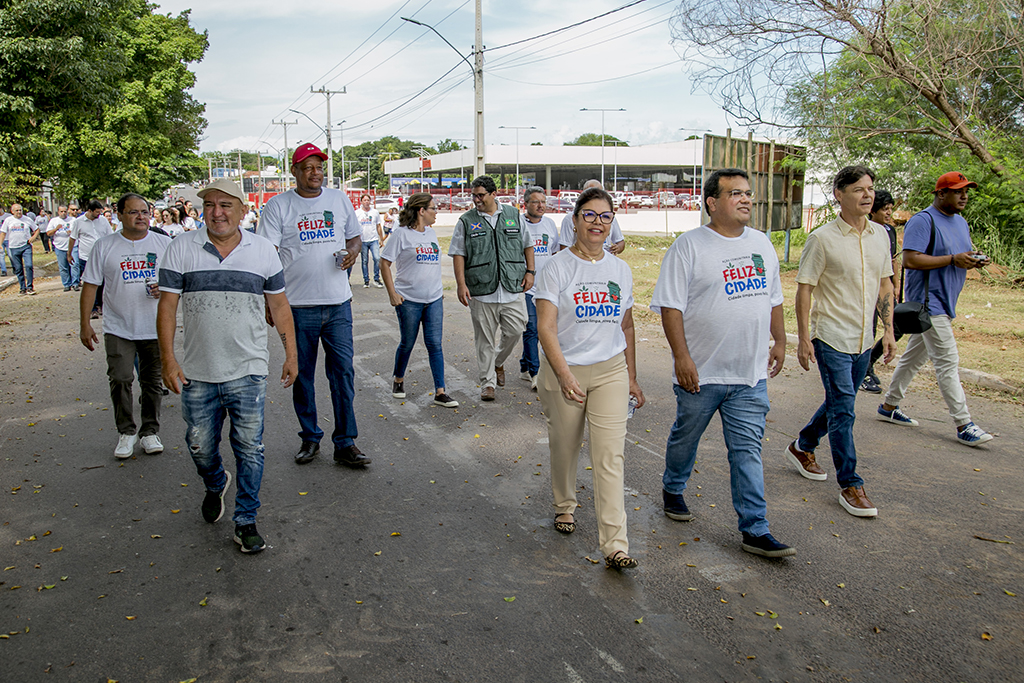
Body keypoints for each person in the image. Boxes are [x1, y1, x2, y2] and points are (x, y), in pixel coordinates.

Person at [651, 169, 794, 558]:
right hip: (702, 371)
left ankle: (755, 528)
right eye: (735, 193)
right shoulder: (689, 246)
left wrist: (780, 340)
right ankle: (674, 486)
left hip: (750, 375)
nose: (746, 199)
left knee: (746, 450)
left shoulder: (762, 244)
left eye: (748, 193)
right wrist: (682, 357)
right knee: (686, 437)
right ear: (712, 202)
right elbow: (670, 306)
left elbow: (774, 298)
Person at [158, 178, 298, 554]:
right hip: (198, 371)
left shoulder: (263, 251)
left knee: (250, 448)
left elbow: (280, 305)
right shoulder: (180, 248)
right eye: (209, 205)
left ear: (242, 210)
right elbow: (167, 306)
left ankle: (245, 520)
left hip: (249, 368)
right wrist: (168, 358)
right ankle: (216, 482)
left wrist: (291, 354)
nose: (217, 213)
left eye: (225, 205)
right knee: (200, 444)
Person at [535, 187, 644, 569]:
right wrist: (564, 374)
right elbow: (545, 328)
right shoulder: (557, 267)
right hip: (565, 368)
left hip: (610, 370)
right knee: (565, 446)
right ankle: (564, 504)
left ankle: (615, 544)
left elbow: (626, 326)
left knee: (609, 456)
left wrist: (631, 377)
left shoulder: (620, 270)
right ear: (575, 220)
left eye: (605, 216)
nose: (598, 223)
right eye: (590, 215)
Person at [788, 166, 896, 518]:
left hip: (864, 338)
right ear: (839, 194)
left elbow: (885, 285)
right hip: (831, 335)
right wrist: (804, 338)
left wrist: (889, 331)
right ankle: (850, 483)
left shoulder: (881, 235)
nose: (867, 195)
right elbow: (804, 290)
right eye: (858, 189)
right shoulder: (822, 239)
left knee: (839, 403)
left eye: (870, 188)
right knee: (844, 409)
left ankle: (803, 445)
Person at [259, 142, 370, 468]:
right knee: (302, 374)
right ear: (294, 171)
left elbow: (354, 237)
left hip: (337, 304)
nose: (314, 173)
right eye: (307, 168)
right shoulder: (278, 206)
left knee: (343, 373)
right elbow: (266, 256)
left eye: (319, 167)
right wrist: (270, 300)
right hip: (296, 307)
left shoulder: (338, 199)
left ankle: (345, 442)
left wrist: (352, 252)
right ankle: (310, 438)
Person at [878, 172, 993, 446]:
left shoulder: (961, 223)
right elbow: (911, 259)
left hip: (946, 301)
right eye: (958, 191)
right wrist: (953, 259)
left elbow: (957, 256)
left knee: (914, 358)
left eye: (966, 191)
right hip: (929, 303)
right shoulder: (923, 220)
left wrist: (972, 260)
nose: (964, 196)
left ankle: (889, 406)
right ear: (941, 194)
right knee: (947, 361)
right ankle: (963, 423)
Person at [80, 194, 170, 459]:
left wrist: (163, 289)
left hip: (155, 327)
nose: (141, 216)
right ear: (118, 215)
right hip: (118, 326)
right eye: (133, 212)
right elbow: (90, 286)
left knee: (152, 382)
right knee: (120, 378)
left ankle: (150, 431)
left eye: (144, 211)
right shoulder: (104, 246)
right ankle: (126, 431)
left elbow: (181, 281)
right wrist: (85, 323)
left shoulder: (164, 243)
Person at [449, 175, 536, 401]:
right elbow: (458, 253)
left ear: (493, 194)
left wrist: (531, 272)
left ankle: (497, 362)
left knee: (517, 329)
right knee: (484, 340)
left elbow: (528, 244)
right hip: (481, 288)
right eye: (474, 195)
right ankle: (488, 383)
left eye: (480, 195)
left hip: (512, 286)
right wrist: (461, 284)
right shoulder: (466, 220)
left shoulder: (512, 215)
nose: (476, 200)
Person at [379, 193, 459, 409]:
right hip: (409, 300)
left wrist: (437, 288)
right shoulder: (400, 235)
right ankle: (398, 379)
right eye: (433, 208)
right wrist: (392, 293)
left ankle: (440, 391)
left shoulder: (431, 233)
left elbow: (431, 265)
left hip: (433, 299)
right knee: (408, 342)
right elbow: (384, 263)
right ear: (421, 211)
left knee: (435, 344)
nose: (436, 212)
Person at [518, 187, 559, 391]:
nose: (541, 205)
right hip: (526, 287)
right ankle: (535, 373)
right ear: (526, 203)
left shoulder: (550, 224)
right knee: (531, 328)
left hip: (547, 287)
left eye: (543, 201)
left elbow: (554, 253)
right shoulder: (517, 223)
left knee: (545, 329)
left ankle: (525, 365)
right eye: (536, 202)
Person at [860, 190, 902, 393]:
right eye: (885, 209)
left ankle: (869, 364)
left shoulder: (889, 232)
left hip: (886, 286)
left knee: (892, 326)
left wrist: (897, 283)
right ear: (873, 211)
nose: (889, 213)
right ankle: (863, 371)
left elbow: (893, 260)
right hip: (868, 289)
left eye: (891, 209)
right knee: (870, 329)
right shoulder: (867, 232)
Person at [70, 201, 114, 316]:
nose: (99, 215)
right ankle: (93, 308)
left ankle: (100, 304)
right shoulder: (78, 222)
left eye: (100, 212)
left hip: (103, 256)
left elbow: (110, 236)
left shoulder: (103, 221)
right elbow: (72, 238)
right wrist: (69, 254)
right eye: (97, 212)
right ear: (89, 211)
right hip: (86, 257)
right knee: (90, 282)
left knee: (102, 283)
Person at [558, 180, 625, 255]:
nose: (598, 222)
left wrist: (618, 248)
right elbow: (564, 248)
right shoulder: (570, 218)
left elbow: (620, 242)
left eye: (599, 193)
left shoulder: (609, 217)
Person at [0, 204, 39, 294]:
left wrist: (33, 237)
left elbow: (36, 229)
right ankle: (22, 287)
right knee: (18, 268)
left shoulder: (27, 219)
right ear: (12, 211)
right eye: (16, 210)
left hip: (26, 246)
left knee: (29, 265)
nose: (19, 212)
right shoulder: (8, 220)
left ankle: (30, 287)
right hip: (13, 247)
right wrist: (0, 243)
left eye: (20, 210)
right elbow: (3, 233)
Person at [355, 194, 385, 288]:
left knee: (377, 258)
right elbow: (355, 228)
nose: (366, 202)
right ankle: (366, 280)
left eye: (368, 200)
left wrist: (381, 239)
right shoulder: (357, 213)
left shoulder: (375, 212)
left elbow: (378, 226)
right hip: (363, 240)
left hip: (373, 239)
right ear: (361, 202)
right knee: (364, 260)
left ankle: (376, 279)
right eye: (364, 200)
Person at [47, 205, 75, 291]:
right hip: (59, 246)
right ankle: (66, 284)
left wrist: (72, 232)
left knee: (74, 265)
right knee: (63, 267)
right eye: (61, 211)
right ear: (58, 212)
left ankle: (75, 283)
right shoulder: (54, 221)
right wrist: (56, 229)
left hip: (72, 246)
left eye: (65, 211)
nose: (63, 213)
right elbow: (48, 233)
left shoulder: (73, 220)